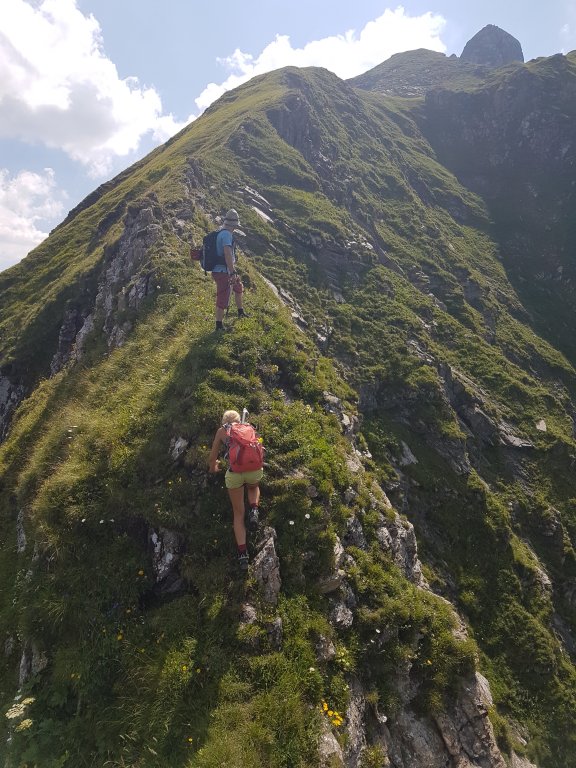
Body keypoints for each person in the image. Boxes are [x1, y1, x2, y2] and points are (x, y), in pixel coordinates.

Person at [208, 409, 263, 570]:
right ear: (239, 420)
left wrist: (213, 467)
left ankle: (243, 554)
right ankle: (254, 510)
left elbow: (213, 456)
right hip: (254, 469)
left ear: (224, 421)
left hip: (234, 474)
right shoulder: (249, 427)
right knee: (253, 487)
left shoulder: (221, 431)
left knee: (238, 514)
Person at [213, 209, 247, 331]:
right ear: (234, 225)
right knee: (223, 296)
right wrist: (232, 272)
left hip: (223, 269)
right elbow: (227, 253)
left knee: (238, 286)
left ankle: (240, 312)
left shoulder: (220, 231)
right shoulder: (227, 235)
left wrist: (233, 271)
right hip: (223, 271)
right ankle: (218, 326)